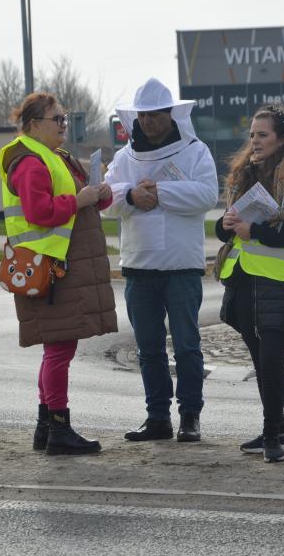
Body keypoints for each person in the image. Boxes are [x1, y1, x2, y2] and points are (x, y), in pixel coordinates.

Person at [0, 92, 117, 456]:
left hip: (61, 266)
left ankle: (46, 427)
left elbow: (80, 197)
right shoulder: (30, 162)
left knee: (57, 348)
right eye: (58, 119)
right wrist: (80, 200)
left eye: (66, 119)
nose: (65, 125)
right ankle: (58, 428)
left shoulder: (54, 156)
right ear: (35, 124)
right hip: (48, 269)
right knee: (59, 349)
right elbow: (39, 212)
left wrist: (101, 194)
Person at [104, 78, 218, 443]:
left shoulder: (195, 151)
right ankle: (157, 417)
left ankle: (190, 416)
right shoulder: (124, 159)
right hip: (138, 267)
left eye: (155, 114)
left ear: (171, 114)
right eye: (143, 115)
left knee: (186, 345)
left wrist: (160, 192)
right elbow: (106, 199)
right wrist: (133, 196)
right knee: (148, 348)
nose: (149, 121)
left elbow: (206, 195)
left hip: (182, 267)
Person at [214, 103, 284, 463]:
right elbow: (223, 229)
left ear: (283, 138)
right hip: (245, 279)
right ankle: (275, 429)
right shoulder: (244, 172)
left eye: (262, 135)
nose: (255, 141)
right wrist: (228, 224)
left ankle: (274, 434)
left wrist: (255, 231)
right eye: (252, 135)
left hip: (283, 281)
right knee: (261, 360)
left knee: (272, 358)